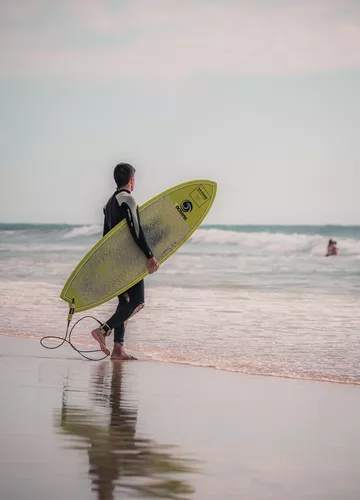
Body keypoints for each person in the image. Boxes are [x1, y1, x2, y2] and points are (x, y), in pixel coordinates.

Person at [91, 163, 159, 360]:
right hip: (128, 262)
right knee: (138, 302)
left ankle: (118, 350)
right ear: (131, 180)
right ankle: (103, 330)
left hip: (114, 261)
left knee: (124, 302)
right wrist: (149, 255)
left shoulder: (109, 204)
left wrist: (104, 263)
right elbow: (136, 230)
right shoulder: (128, 199)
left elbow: (105, 237)